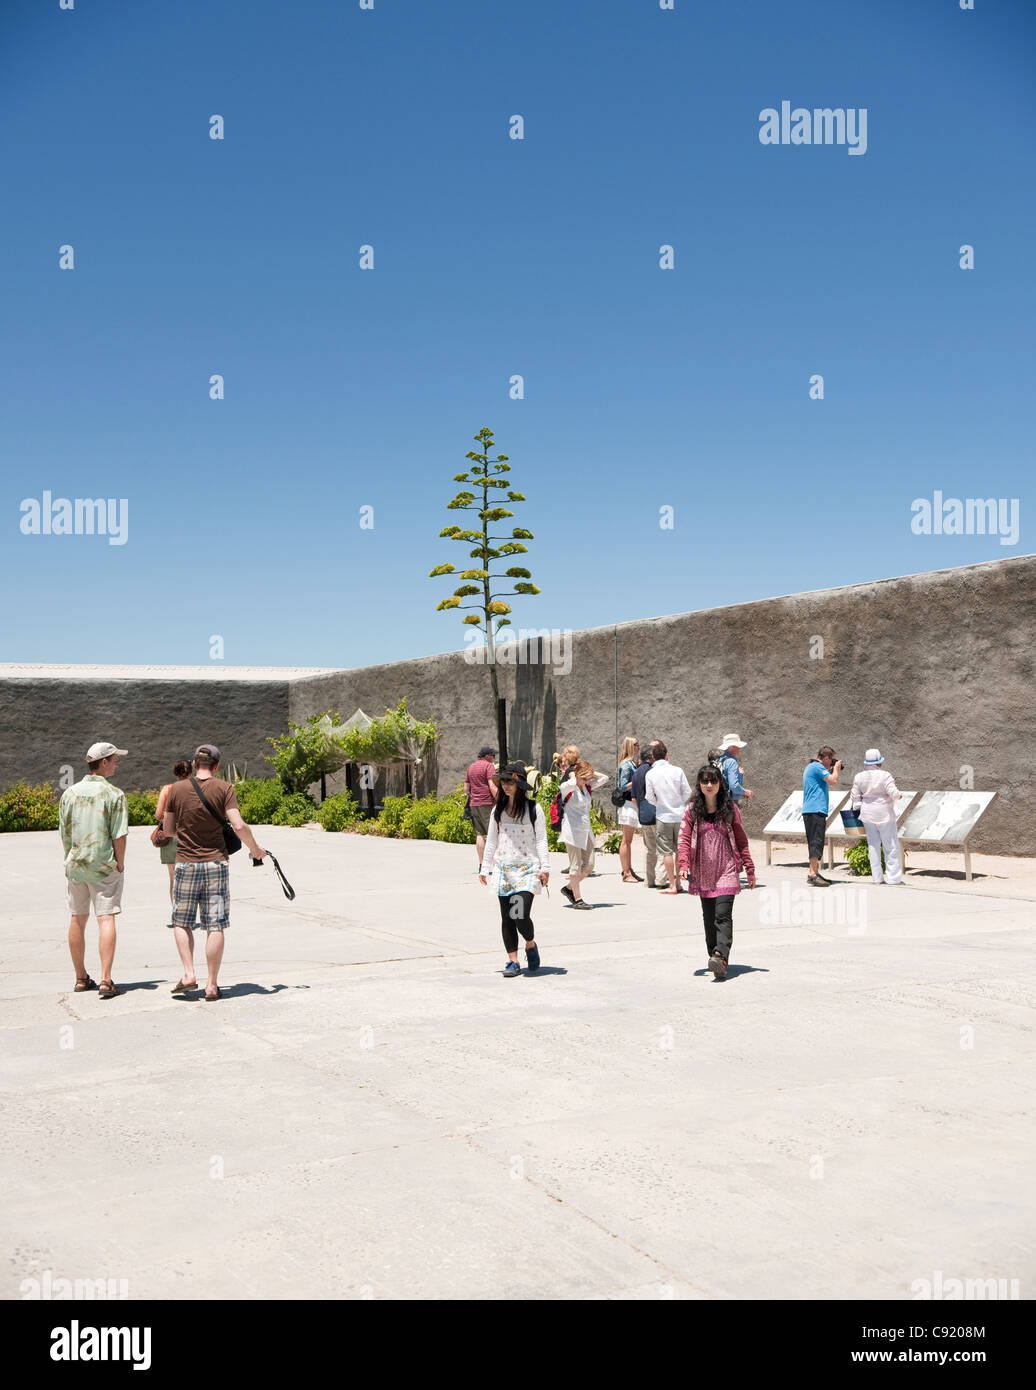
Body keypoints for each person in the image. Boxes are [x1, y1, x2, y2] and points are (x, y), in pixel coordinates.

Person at [161, 744, 267, 1001]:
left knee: (181, 921)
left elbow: (169, 830)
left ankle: (188, 974)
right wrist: (255, 849)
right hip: (216, 864)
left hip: (185, 862)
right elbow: (238, 825)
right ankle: (211, 985)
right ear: (217, 766)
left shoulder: (176, 790)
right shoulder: (225, 788)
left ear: (195, 765)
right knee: (215, 925)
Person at [58, 741, 130, 1000]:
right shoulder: (114, 794)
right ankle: (105, 979)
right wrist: (120, 864)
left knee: (77, 918)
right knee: (106, 918)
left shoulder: (70, 793)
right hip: (104, 866)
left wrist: (69, 858)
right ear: (103, 763)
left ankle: (80, 978)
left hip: (76, 865)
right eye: (114, 759)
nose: (117, 763)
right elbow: (119, 836)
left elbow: (64, 832)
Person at [678, 764, 756, 980]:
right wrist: (683, 864)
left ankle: (721, 956)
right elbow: (684, 839)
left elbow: (741, 839)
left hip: (727, 869)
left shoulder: (730, 808)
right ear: (699, 784)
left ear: (720, 783)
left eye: (713, 780)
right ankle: (714, 954)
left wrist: (749, 867)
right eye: (705, 781)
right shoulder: (692, 810)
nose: (709, 785)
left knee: (722, 915)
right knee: (709, 918)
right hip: (703, 872)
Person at [479, 761, 549, 976]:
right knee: (507, 917)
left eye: (510, 781)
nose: (506, 785)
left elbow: (541, 841)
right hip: (503, 869)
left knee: (520, 914)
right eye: (503, 782)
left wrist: (545, 868)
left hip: (527, 869)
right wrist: (485, 868)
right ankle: (513, 961)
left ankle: (530, 943)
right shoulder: (497, 810)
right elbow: (491, 841)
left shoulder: (533, 809)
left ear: (519, 784)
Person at [849, 749, 904, 885]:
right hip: (884, 814)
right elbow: (892, 792)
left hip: (867, 814)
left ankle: (877, 878)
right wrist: (899, 795)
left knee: (873, 846)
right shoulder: (885, 775)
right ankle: (894, 879)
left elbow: (855, 796)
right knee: (890, 846)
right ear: (879, 762)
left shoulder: (859, 776)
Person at [559, 759, 608, 908]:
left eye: (588, 778)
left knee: (589, 865)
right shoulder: (568, 787)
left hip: (586, 831)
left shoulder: (587, 787)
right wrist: (573, 775)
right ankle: (577, 899)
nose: (587, 780)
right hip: (572, 831)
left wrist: (590, 774)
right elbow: (568, 784)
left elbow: (605, 778)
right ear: (577, 775)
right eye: (584, 777)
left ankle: (568, 888)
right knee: (575, 867)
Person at [644, 741, 692, 895]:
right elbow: (687, 792)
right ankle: (678, 882)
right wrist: (679, 803)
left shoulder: (650, 774)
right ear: (667, 755)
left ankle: (671, 883)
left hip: (663, 815)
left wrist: (660, 803)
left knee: (666, 852)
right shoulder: (677, 770)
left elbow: (649, 797)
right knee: (679, 849)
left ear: (653, 757)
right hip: (679, 814)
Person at [155, 760, 191, 925]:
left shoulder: (167, 789)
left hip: (170, 836)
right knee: (190, 877)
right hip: (190, 836)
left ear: (175, 773)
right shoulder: (194, 789)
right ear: (190, 773)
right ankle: (188, 913)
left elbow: (157, 815)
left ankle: (177, 914)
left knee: (173, 878)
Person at [802, 745, 843, 886]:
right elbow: (833, 780)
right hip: (815, 810)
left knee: (816, 841)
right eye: (830, 760)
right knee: (815, 842)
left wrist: (831, 769)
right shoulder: (817, 767)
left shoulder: (813, 767)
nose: (830, 763)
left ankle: (814, 872)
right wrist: (836, 769)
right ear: (826, 757)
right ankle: (812, 874)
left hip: (813, 810)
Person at [631, 743, 666, 888]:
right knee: (662, 849)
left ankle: (649, 880)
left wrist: (642, 809)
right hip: (656, 814)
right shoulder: (652, 772)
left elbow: (633, 798)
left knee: (650, 849)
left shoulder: (636, 772)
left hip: (644, 816)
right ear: (652, 757)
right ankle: (661, 880)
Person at [464, 745, 497, 870]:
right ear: (486, 756)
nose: (494, 758)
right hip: (487, 803)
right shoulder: (489, 766)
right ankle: (494, 865)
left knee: (480, 834)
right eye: (493, 755)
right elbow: (492, 786)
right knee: (492, 834)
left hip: (474, 804)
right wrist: (500, 800)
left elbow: (466, 789)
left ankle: (482, 864)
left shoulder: (471, 767)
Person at [615, 736, 644, 883]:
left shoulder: (632, 763)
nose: (638, 746)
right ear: (630, 747)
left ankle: (628, 869)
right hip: (627, 805)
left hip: (631, 804)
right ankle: (626, 873)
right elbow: (622, 786)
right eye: (636, 744)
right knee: (626, 840)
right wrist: (638, 780)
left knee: (629, 840)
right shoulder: (626, 765)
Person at [714, 735, 753, 811]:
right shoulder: (732, 762)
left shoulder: (719, 759)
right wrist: (745, 792)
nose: (739, 748)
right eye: (738, 746)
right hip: (730, 802)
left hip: (719, 799)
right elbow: (734, 786)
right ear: (733, 747)